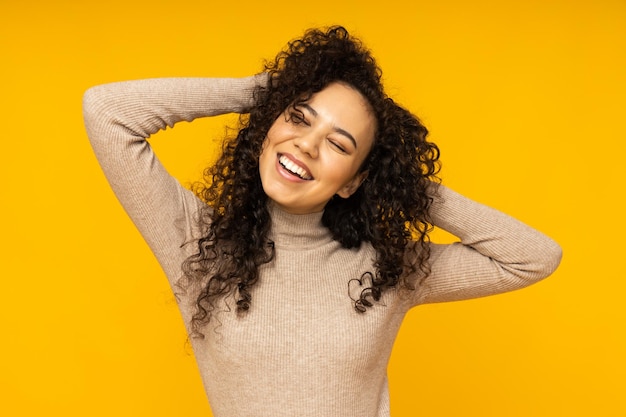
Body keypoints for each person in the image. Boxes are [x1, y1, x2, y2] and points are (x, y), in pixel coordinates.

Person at [83, 26, 562, 417]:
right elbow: (107, 113)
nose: (307, 145)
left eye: (339, 144)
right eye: (297, 117)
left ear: (354, 181)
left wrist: (406, 185)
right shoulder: (198, 244)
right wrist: (266, 91)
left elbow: (535, 257)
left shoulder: (391, 269)